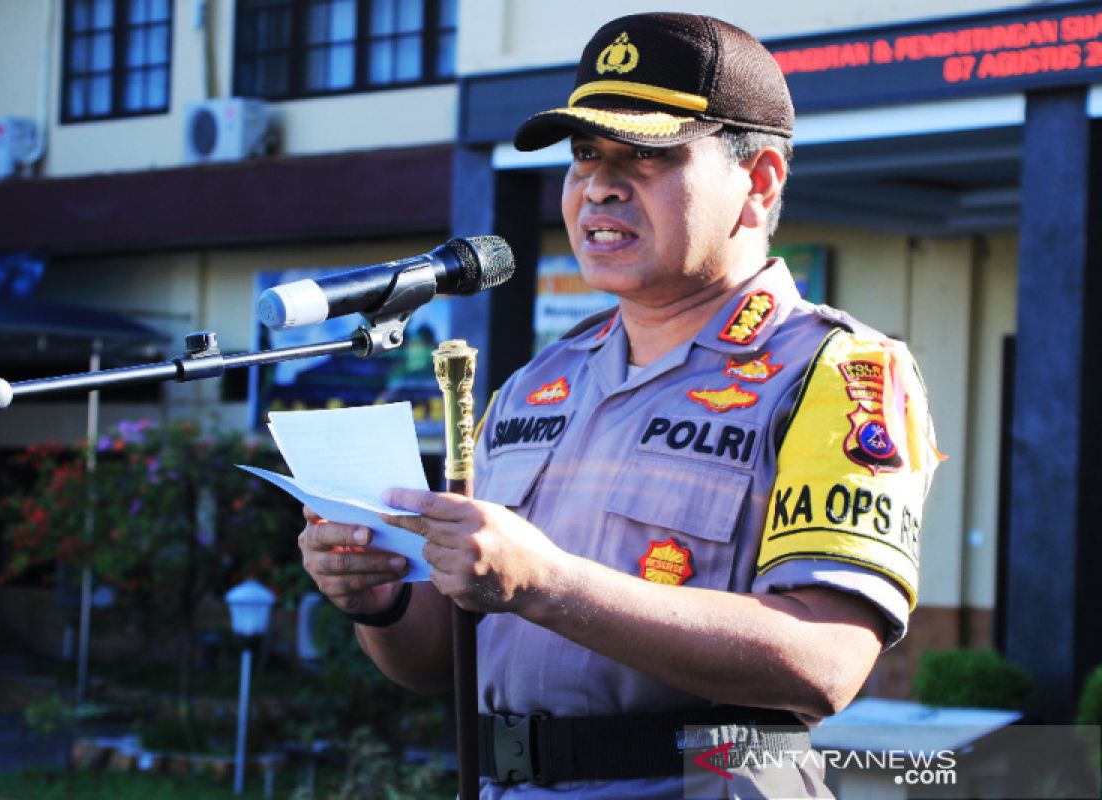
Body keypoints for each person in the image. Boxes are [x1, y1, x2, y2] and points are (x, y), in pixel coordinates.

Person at [298, 12, 941, 799]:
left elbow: (824, 663)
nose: (599, 183)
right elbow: (440, 659)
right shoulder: (539, 381)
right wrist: (384, 600)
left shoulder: (836, 372)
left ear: (759, 181)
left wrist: (546, 582)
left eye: (646, 154)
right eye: (585, 155)